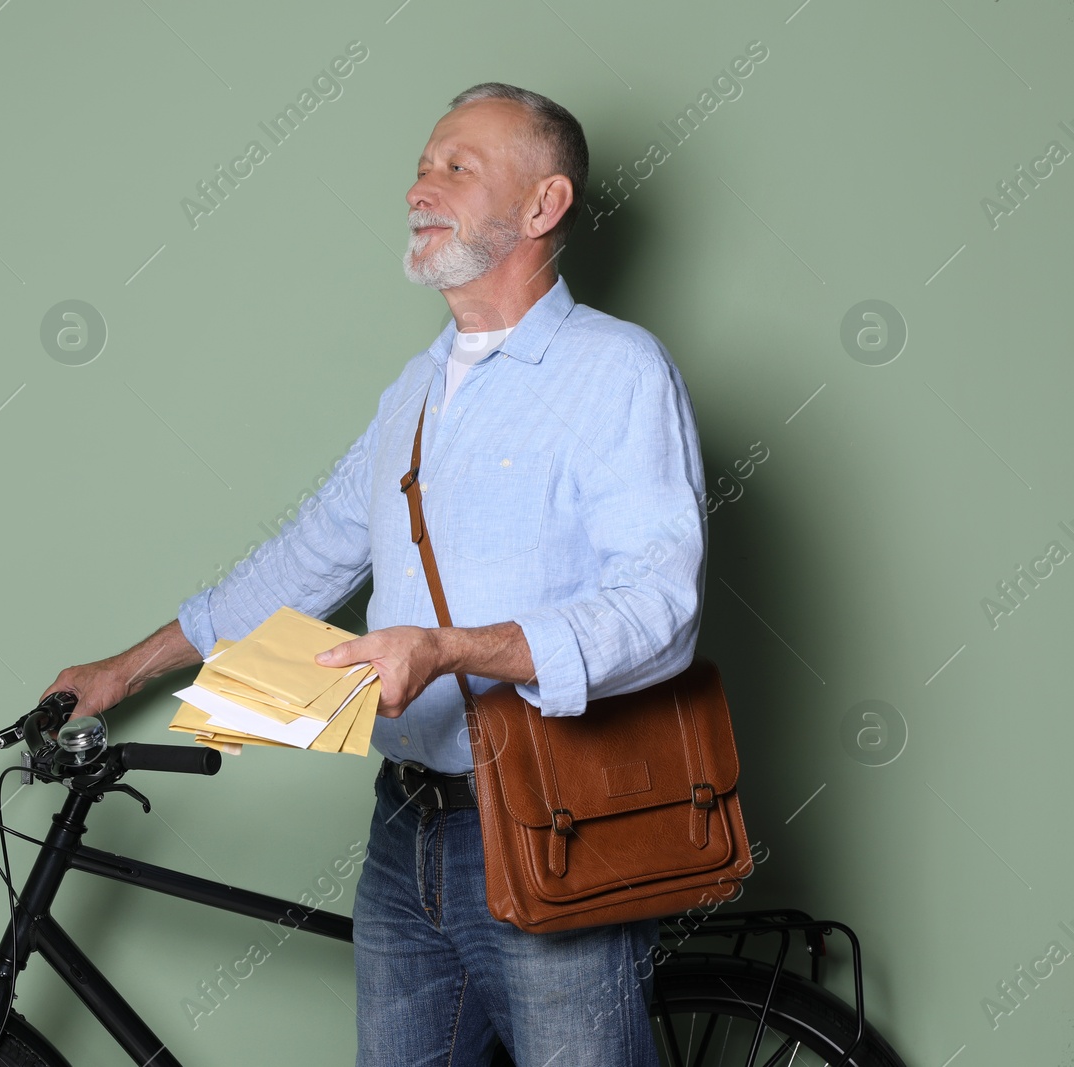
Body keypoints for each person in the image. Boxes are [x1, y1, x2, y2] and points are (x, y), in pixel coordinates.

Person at [41, 82, 706, 1067]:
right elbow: (308, 553)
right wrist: (125, 670)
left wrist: (450, 648)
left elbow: (660, 604)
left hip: (554, 820)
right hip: (406, 830)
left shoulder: (618, 372)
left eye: (455, 166)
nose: (417, 187)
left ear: (541, 207)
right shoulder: (414, 390)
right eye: (421, 163)